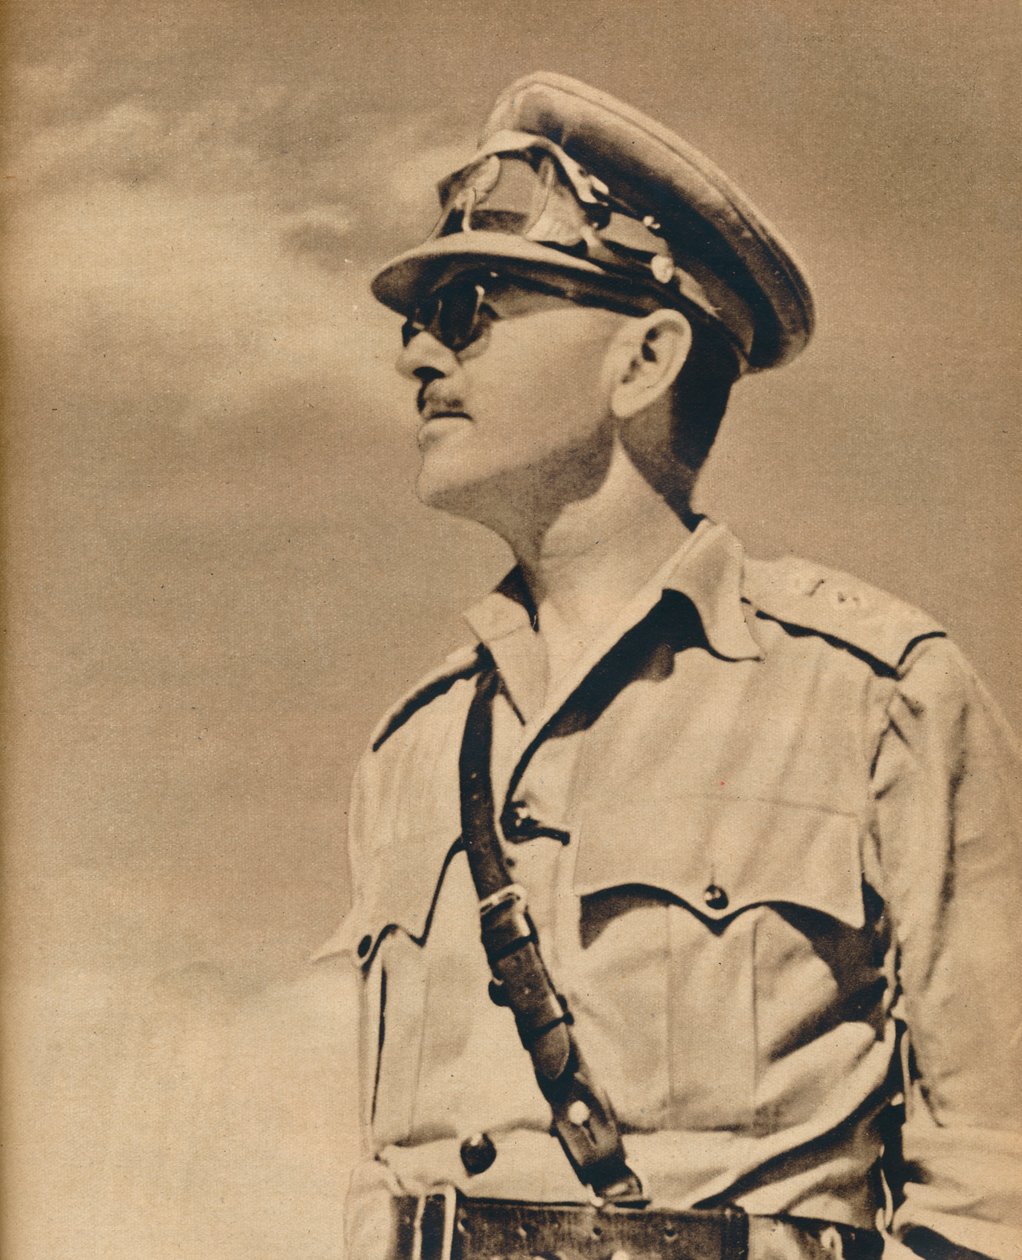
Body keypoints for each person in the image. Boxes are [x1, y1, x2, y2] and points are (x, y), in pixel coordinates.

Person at [315, 72, 1021, 1260]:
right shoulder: (416, 744)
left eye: (470, 305)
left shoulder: (875, 696)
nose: (417, 356)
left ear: (642, 359)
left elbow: (997, 1180)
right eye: (416, 318)